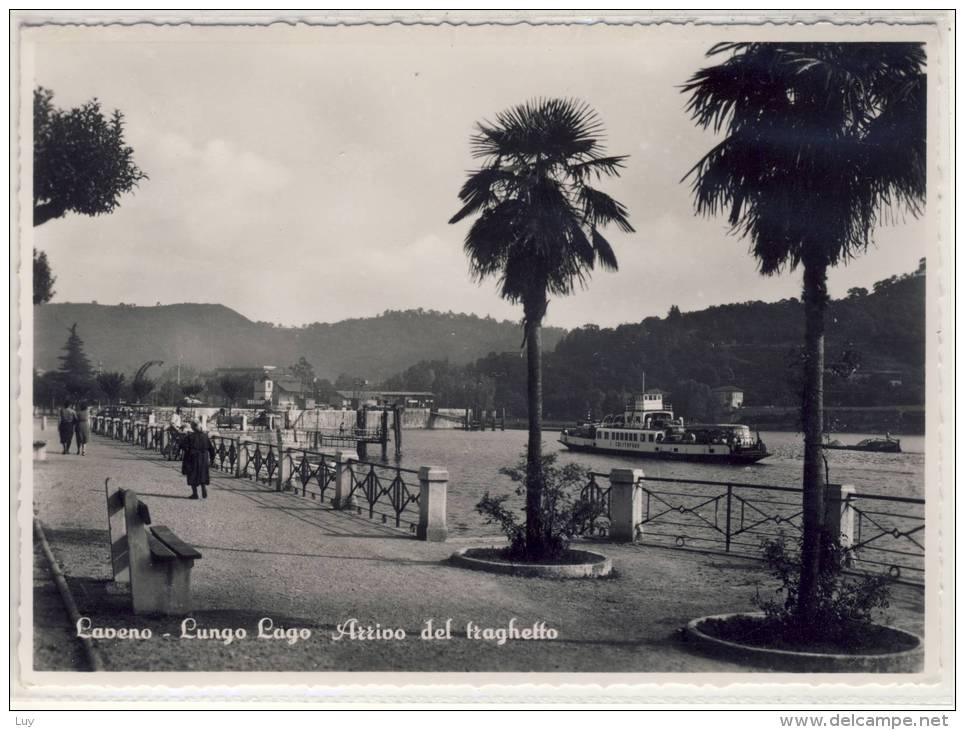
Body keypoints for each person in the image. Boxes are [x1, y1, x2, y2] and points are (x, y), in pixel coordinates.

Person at [180, 419, 215, 500]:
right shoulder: (205, 436)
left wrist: (188, 450)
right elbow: (211, 448)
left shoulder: (189, 436)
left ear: (192, 427)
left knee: (192, 474)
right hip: (203, 457)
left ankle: (195, 494)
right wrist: (212, 458)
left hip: (193, 457)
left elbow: (182, 445)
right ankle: (203, 487)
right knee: (202, 473)